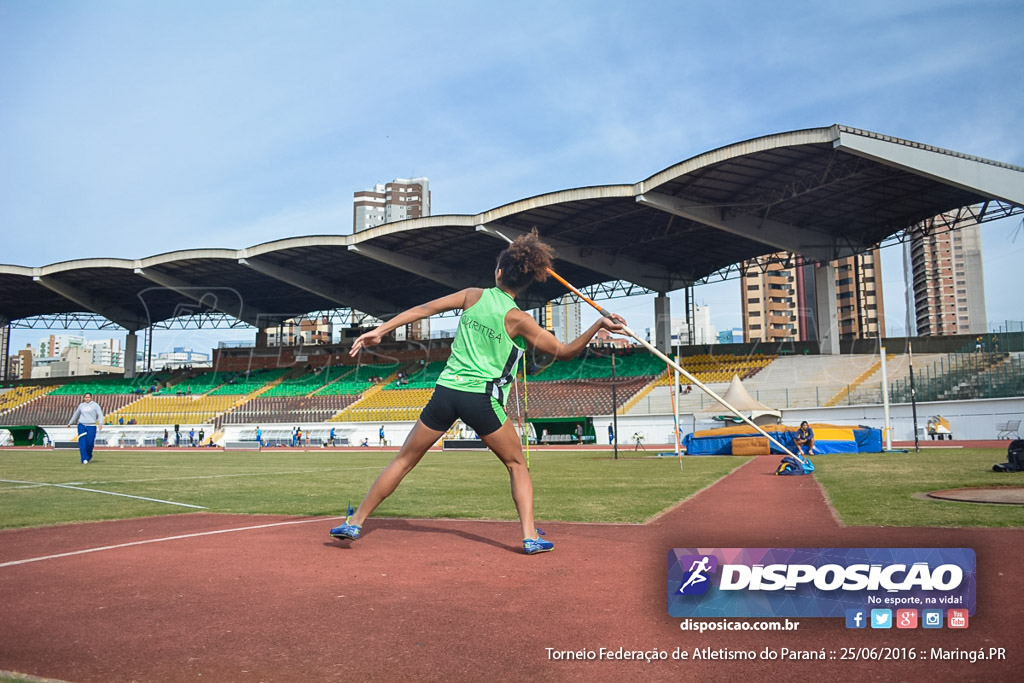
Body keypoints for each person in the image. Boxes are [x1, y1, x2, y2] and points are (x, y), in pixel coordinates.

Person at [330, 230, 625, 554]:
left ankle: (356, 521)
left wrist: (380, 330)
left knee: (403, 460)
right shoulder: (520, 319)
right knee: (516, 466)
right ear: (526, 282)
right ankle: (529, 536)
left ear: (499, 272)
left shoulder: (473, 295)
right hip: (482, 400)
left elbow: (424, 309)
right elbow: (565, 351)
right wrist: (598, 325)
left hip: (445, 392)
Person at [67, 392, 104, 464]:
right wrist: (70, 423)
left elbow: (100, 414)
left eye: (88, 397)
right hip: (82, 425)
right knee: (82, 442)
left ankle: (88, 456)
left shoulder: (95, 405)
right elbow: (76, 414)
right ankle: (84, 458)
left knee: (90, 443)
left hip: (91, 426)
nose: (87, 399)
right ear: (84, 398)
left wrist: (100, 423)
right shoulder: (81, 405)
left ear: (91, 398)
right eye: (86, 397)